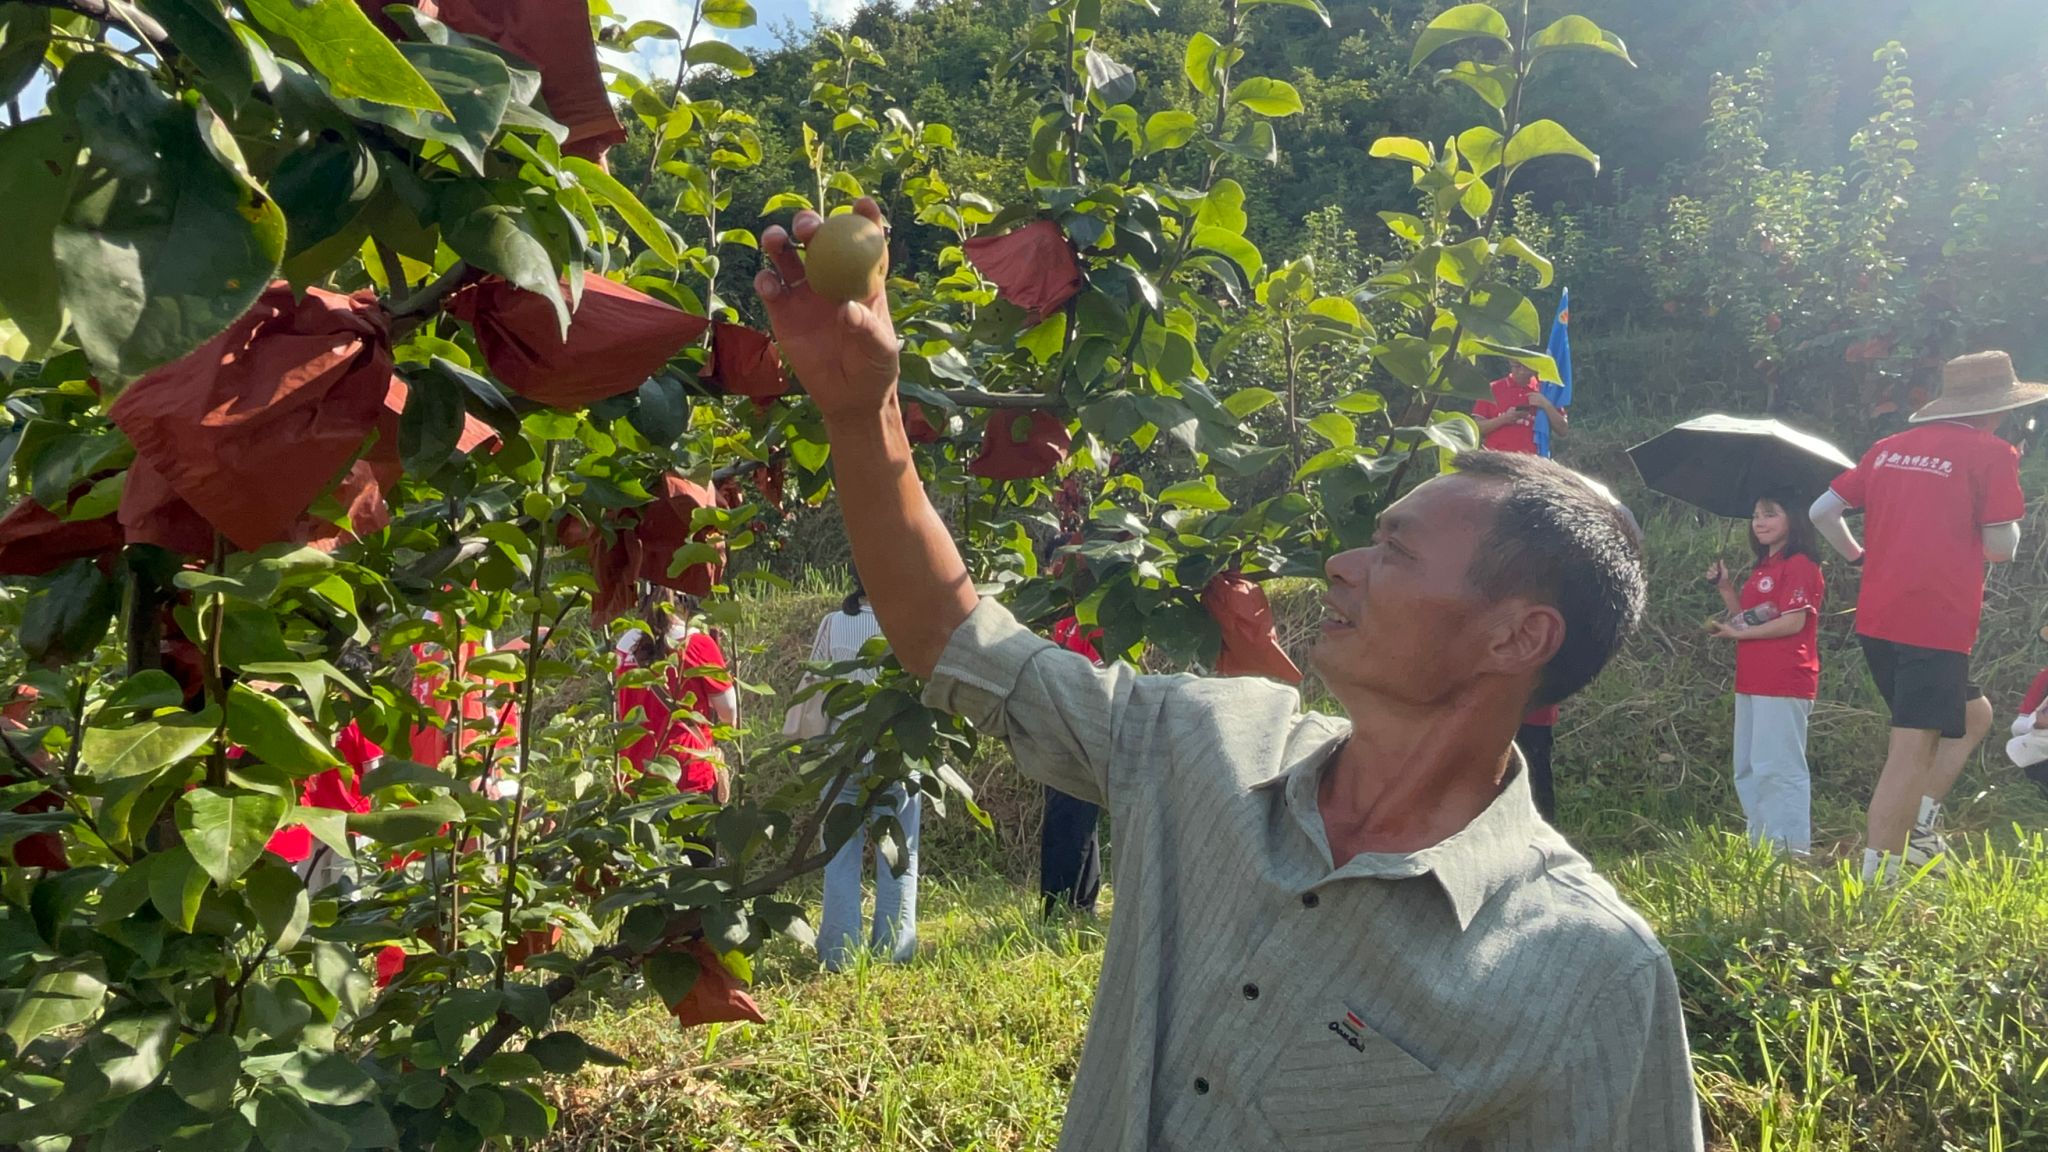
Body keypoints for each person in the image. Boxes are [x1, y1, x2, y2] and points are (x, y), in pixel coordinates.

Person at [754, 200, 1702, 1150]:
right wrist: (862, 410)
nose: (1342, 565)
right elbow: (952, 637)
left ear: (1517, 638)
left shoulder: (1588, 975)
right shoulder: (1204, 741)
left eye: (1398, 552)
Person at [1811, 350, 2045, 882]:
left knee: (1974, 714)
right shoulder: (1992, 453)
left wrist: (1858, 557)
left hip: (1878, 619)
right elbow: (2001, 548)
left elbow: (1821, 511)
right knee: (1911, 750)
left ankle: (1918, 827)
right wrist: (2002, 512)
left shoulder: (1888, 448)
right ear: (1998, 408)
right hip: (1936, 622)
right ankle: (1879, 880)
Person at [789, 580, 923, 971]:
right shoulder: (908, 623)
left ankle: (839, 953)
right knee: (900, 854)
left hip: (842, 754)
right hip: (896, 755)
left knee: (839, 855)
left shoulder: (834, 623)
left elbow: (814, 681)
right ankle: (894, 949)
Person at [1474, 360, 1572, 821]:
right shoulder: (1490, 388)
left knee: (1536, 754)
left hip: (1535, 486)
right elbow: (1474, 430)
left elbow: (1562, 429)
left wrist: (1542, 405)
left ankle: (1544, 822)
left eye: (1525, 364)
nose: (1519, 370)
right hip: (1497, 485)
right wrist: (1505, 419)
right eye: (1513, 364)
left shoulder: (1545, 388)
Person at [1704, 493, 1826, 853]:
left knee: (1779, 767)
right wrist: (1725, 587)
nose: (1759, 522)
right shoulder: (1764, 568)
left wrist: (1738, 635)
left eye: (1770, 514)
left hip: (1785, 678)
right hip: (1752, 678)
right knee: (1748, 767)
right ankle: (1761, 846)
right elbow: (1748, 619)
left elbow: (1793, 622)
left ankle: (1789, 852)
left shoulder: (1801, 564)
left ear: (1794, 519)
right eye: (1756, 515)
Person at [615, 590, 738, 801]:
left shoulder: (624, 644)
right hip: (689, 776)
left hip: (635, 776)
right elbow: (729, 713)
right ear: (687, 603)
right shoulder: (698, 643)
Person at [1041, 615, 1106, 916]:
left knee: (1071, 816)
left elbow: (1100, 677)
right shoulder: (1065, 619)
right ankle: (1077, 904)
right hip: (1059, 724)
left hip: (1082, 725)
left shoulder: (1098, 619)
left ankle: (1060, 907)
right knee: (1067, 818)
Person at [1472, 361, 1568, 456]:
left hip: (1533, 460)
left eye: (1526, 366)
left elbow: (1563, 430)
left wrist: (1546, 404)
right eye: (1517, 366)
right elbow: (1477, 428)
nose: (1522, 371)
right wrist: (1504, 419)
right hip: (1497, 458)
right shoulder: (1492, 389)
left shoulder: (1545, 391)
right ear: (1511, 364)